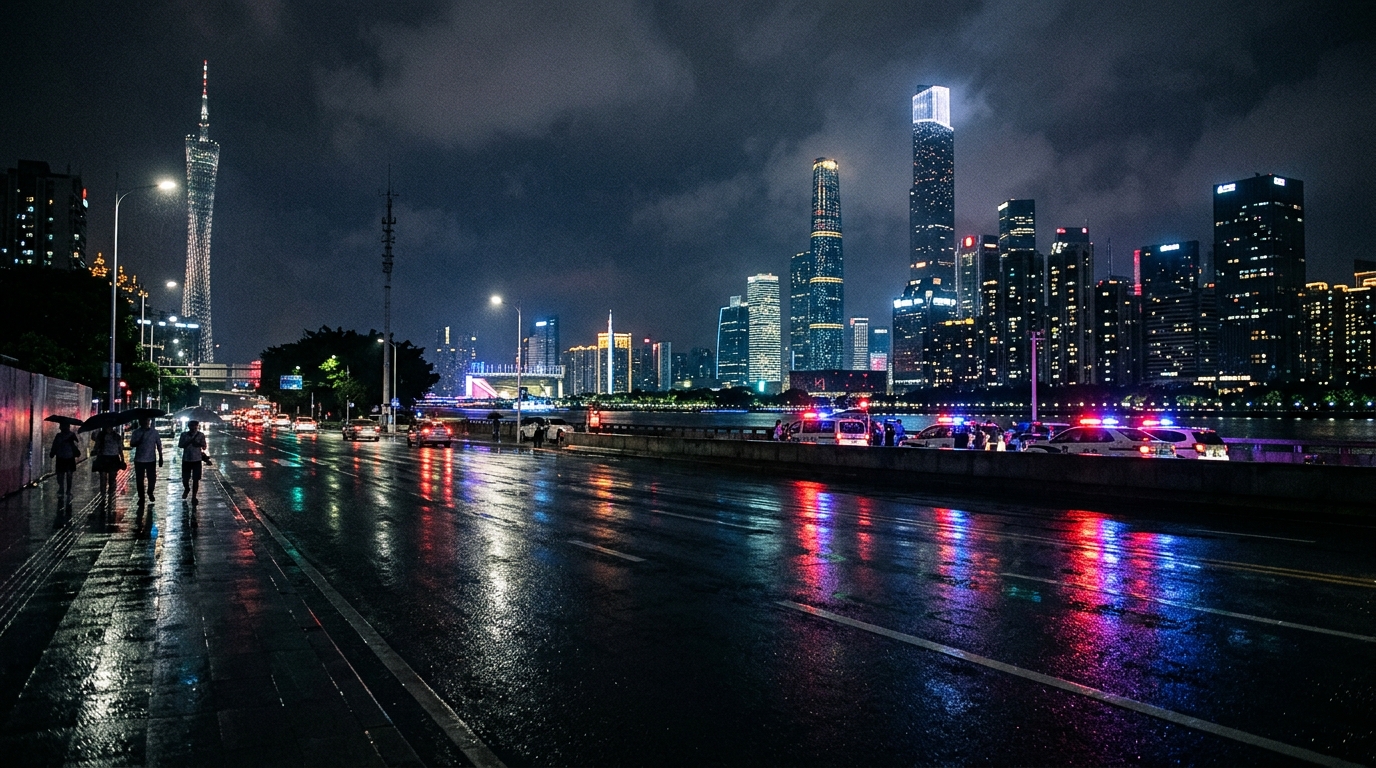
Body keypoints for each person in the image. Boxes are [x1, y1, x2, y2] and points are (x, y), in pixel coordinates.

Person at [128, 418, 164, 503]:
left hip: (151, 459)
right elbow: (132, 444)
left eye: (147, 421)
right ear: (140, 422)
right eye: (143, 421)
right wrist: (139, 440)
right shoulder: (136, 432)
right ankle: (141, 497)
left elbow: (159, 444)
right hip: (139, 459)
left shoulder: (154, 432)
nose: (145, 423)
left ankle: (150, 491)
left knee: (152, 478)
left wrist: (161, 457)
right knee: (139, 479)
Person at [178, 420, 209, 502]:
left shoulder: (201, 435)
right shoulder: (184, 435)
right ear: (189, 426)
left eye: (195, 426)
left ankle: (194, 496)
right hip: (186, 459)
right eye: (191, 426)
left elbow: (204, 447)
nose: (193, 427)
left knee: (196, 479)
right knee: (185, 478)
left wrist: (197, 443)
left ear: (197, 426)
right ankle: (187, 489)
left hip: (197, 460)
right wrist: (188, 442)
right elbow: (180, 445)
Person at [49, 423, 81, 496]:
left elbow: (55, 445)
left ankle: (64, 489)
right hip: (66, 457)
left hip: (64, 457)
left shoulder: (61, 436)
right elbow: (76, 444)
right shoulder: (62, 435)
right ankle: (65, 489)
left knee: (63, 474)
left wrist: (52, 453)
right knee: (66, 475)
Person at [91, 426, 125, 496]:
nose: (109, 428)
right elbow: (96, 446)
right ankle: (103, 493)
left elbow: (120, 449)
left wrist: (122, 459)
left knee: (112, 478)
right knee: (103, 478)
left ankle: (111, 492)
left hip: (113, 458)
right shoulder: (101, 436)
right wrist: (95, 450)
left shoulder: (117, 436)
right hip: (103, 458)